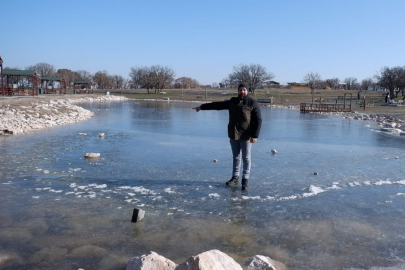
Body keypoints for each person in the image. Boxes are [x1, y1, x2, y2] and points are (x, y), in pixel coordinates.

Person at [192, 83, 262, 191]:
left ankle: (245, 180)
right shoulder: (232, 101)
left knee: (246, 158)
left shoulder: (252, 103)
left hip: (246, 135)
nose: (242, 91)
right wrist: (202, 107)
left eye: (244, 90)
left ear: (247, 91)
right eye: (240, 89)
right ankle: (235, 177)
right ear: (238, 91)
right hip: (233, 134)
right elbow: (217, 105)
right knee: (236, 157)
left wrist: (255, 135)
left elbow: (258, 120)